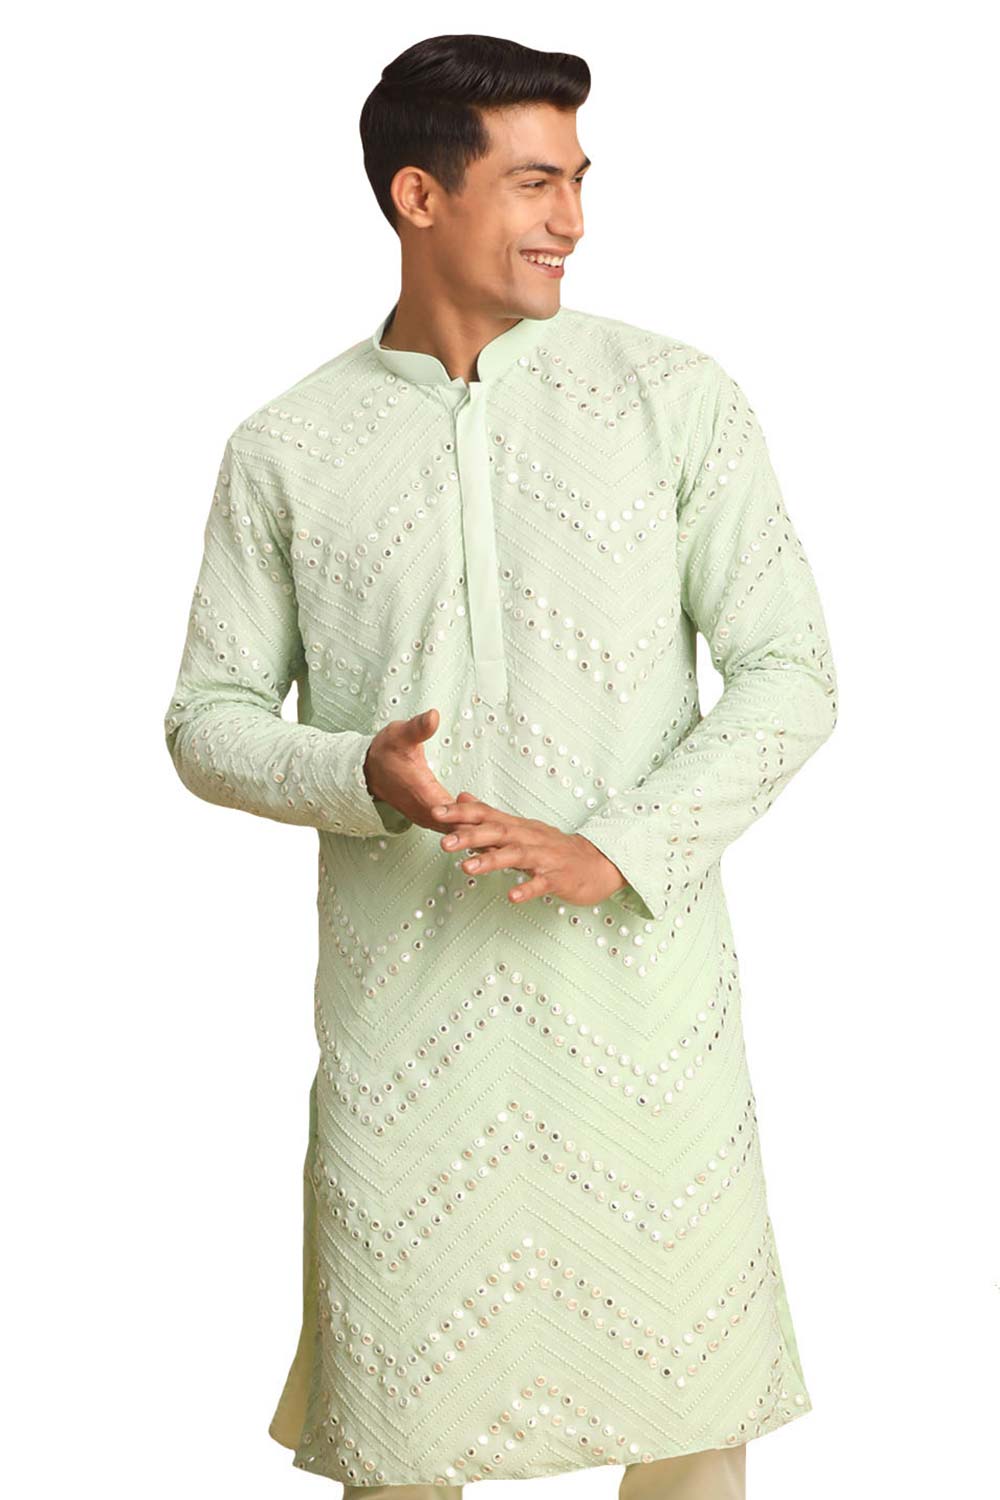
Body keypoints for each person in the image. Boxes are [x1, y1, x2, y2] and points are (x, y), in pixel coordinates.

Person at [163, 32, 836, 1500]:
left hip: (644, 1022)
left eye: (580, 180)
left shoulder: (674, 397)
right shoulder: (289, 445)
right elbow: (206, 718)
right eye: (536, 183)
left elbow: (792, 671)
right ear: (420, 195)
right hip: (408, 1035)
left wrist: (622, 846)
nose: (572, 219)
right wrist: (358, 773)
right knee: (403, 1436)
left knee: (687, 1417)